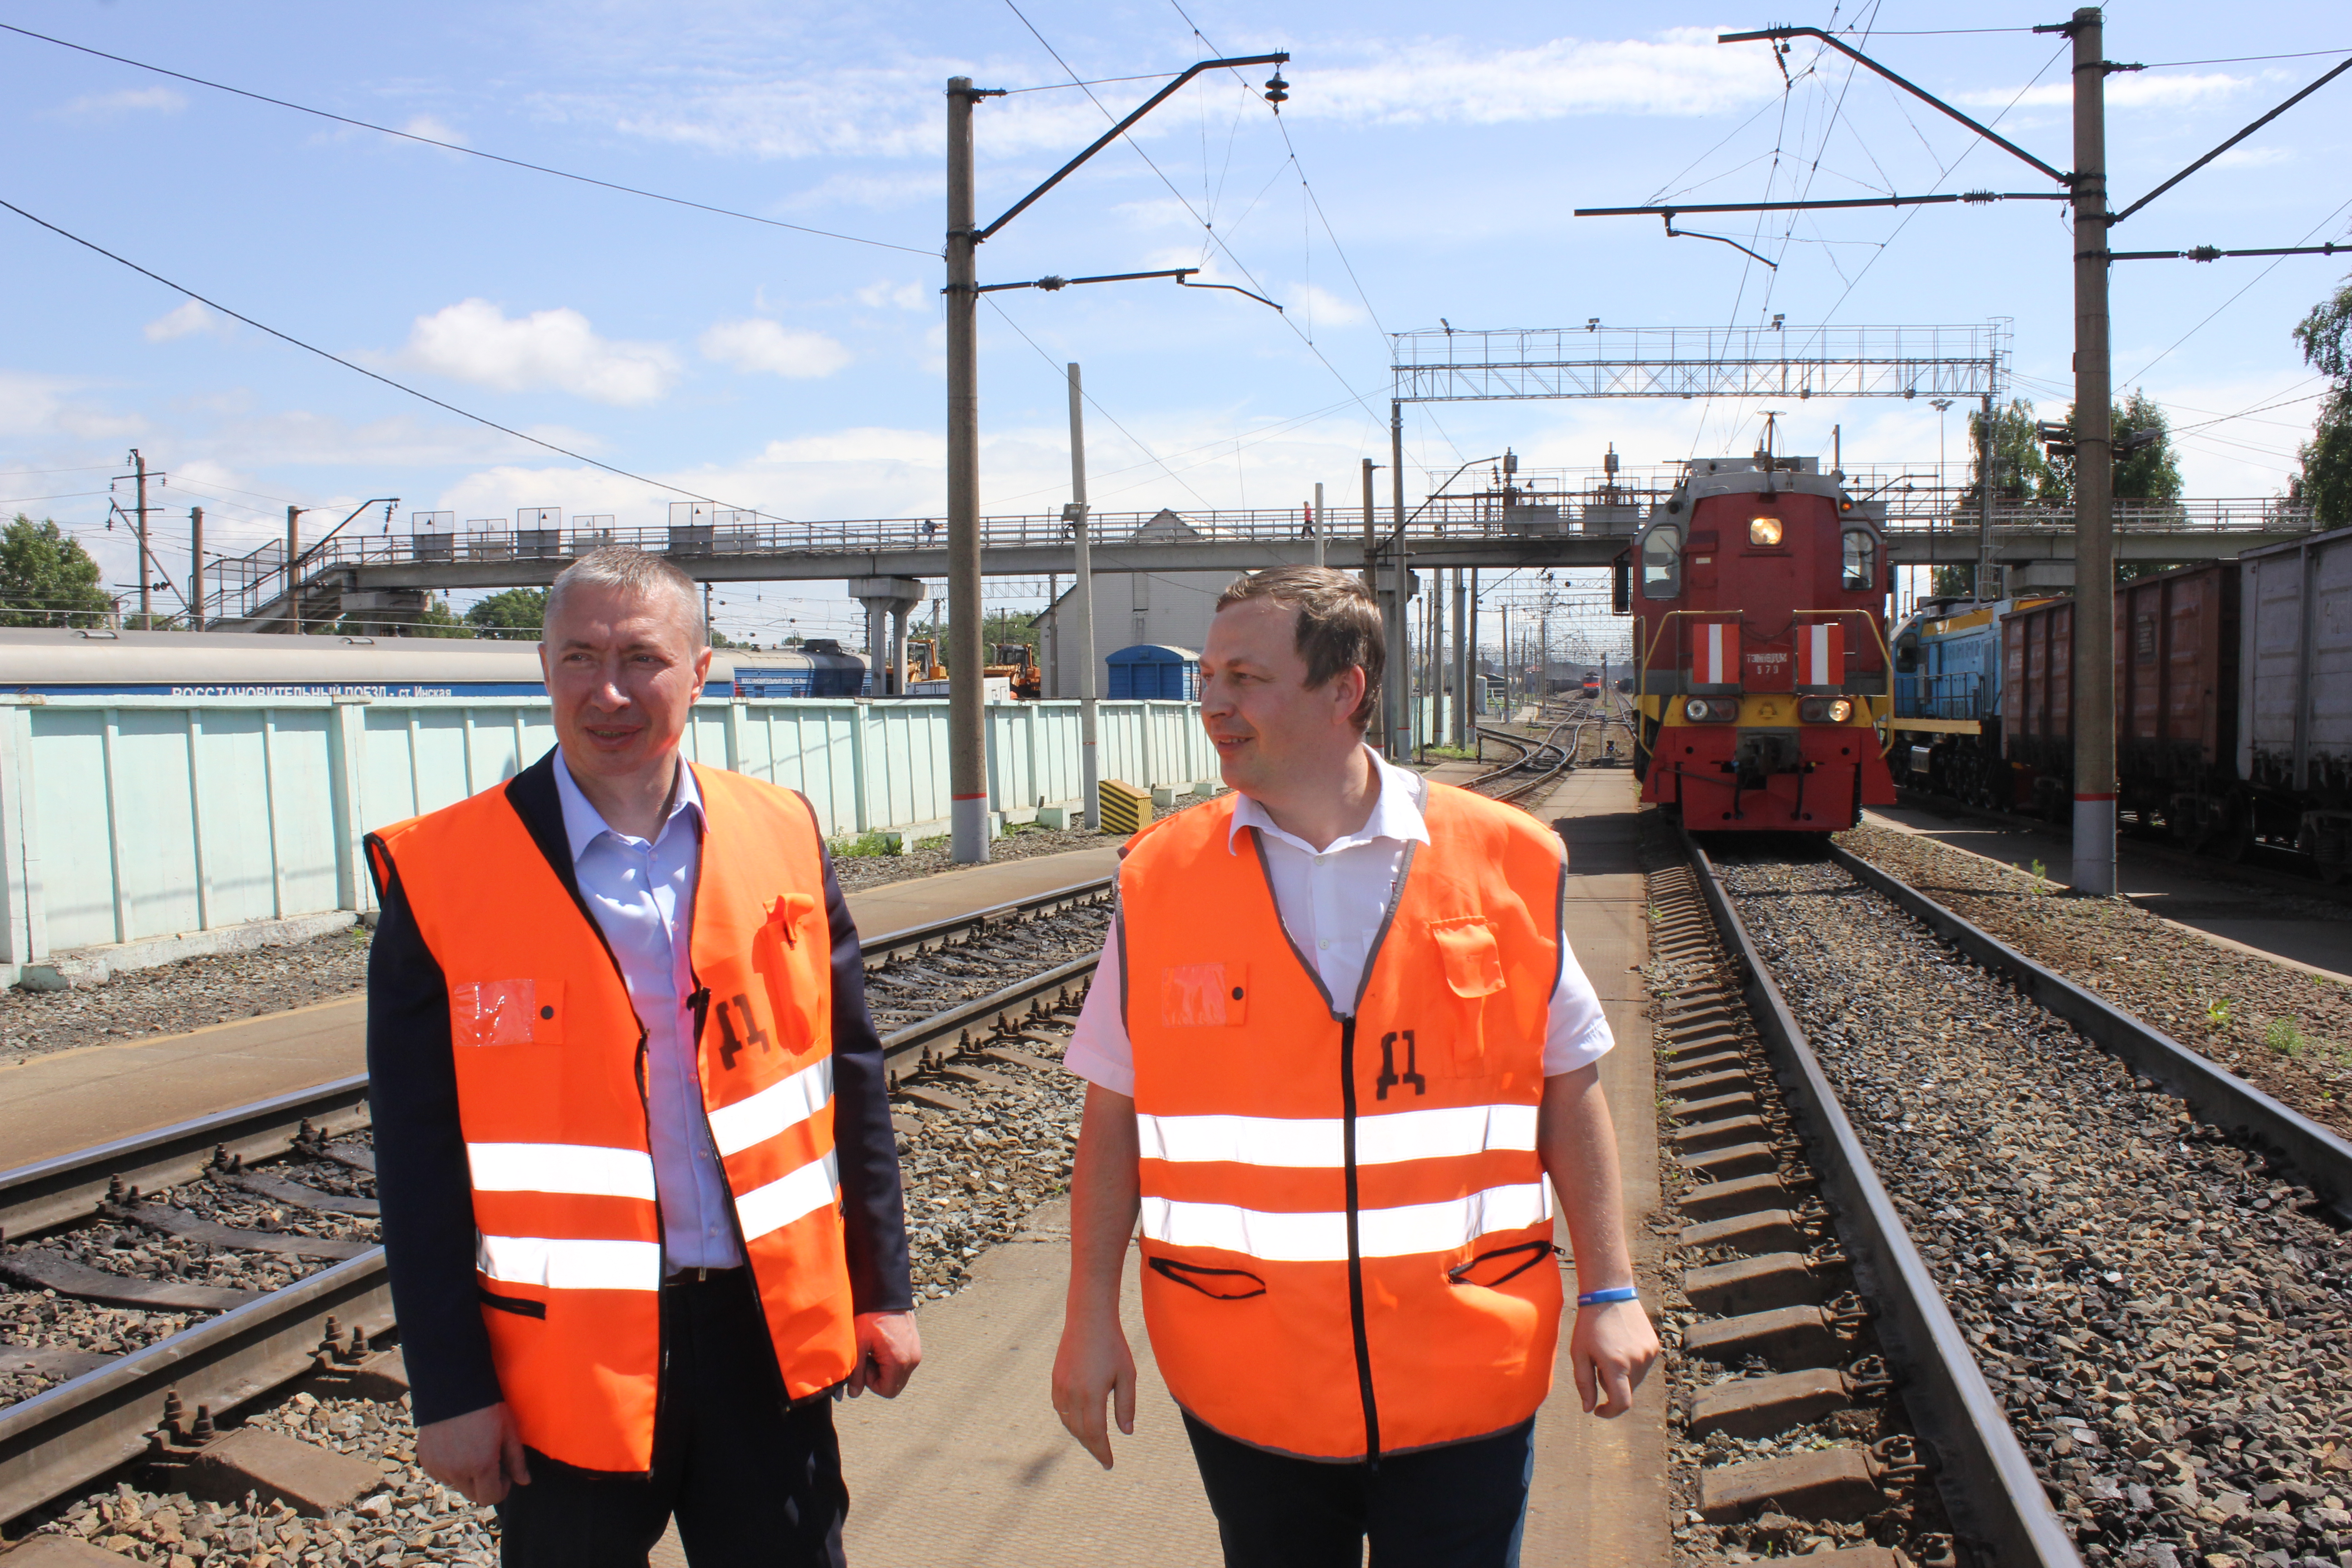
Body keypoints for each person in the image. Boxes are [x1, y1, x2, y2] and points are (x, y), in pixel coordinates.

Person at [1050, 566, 1657, 1568]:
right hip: (1249, 1378)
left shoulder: (1506, 858)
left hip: (1469, 1361)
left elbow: (1570, 1082)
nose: (1213, 703)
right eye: (1209, 676)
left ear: (1346, 690)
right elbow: (1113, 1112)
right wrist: (1088, 1320)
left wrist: (1609, 1289)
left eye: (1245, 677)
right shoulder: (1160, 878)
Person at [366, 548, 918, 1567]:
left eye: (641, 658)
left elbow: (852, 1076)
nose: (608, 691)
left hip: (766, 1333)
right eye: (578, 657)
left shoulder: (781, 832)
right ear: (542, 669)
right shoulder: (445, 875)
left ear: (701, 672)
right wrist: (450, 1391)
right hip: (563, 1363)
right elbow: (415, 1159)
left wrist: (882, 1290)